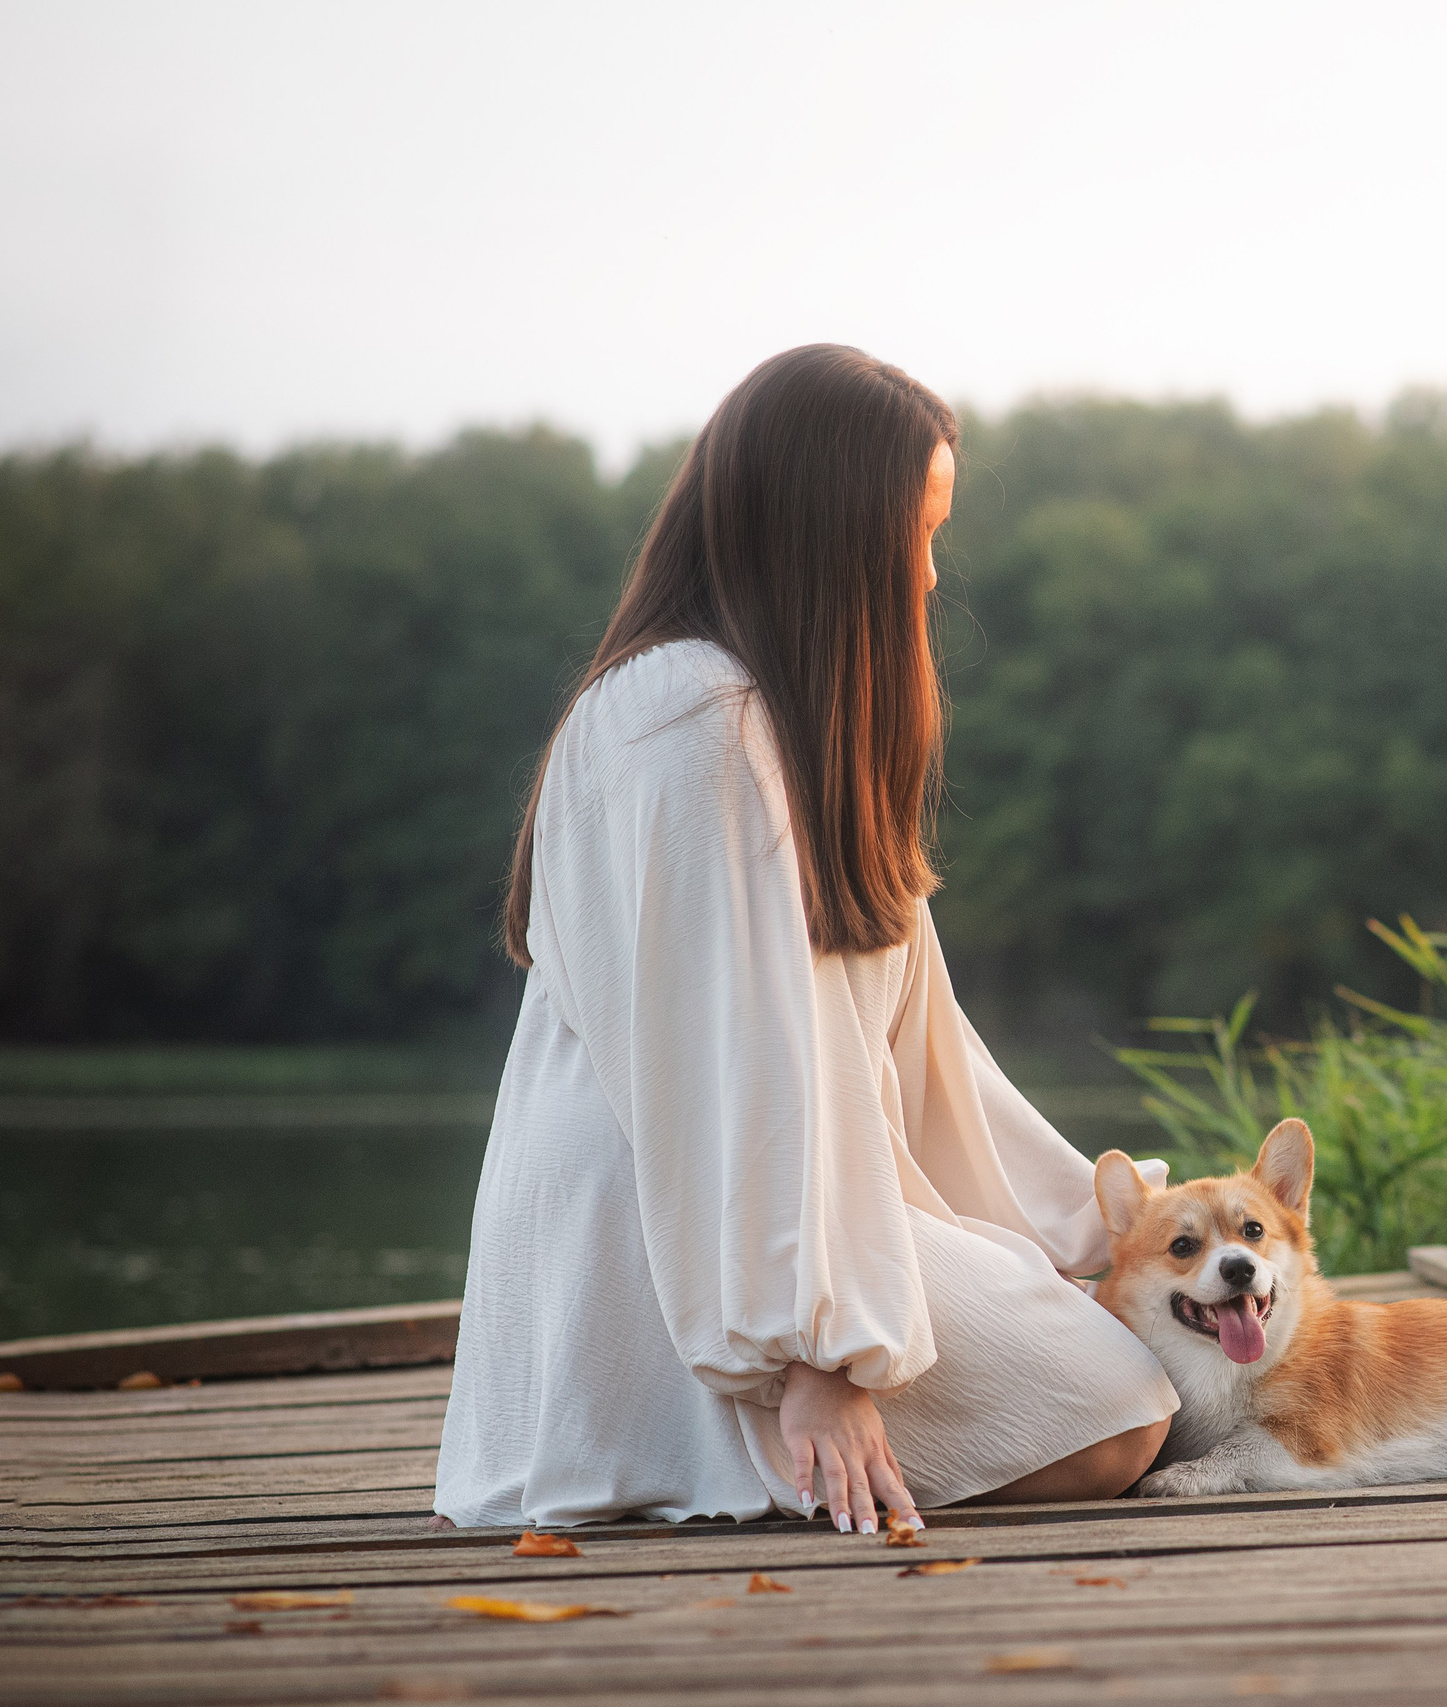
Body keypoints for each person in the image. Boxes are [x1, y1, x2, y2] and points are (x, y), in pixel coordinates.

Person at [432, 345, 1177, 1534]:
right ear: (833, 534)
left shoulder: (780, 721)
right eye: (916, 533)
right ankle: (732, 1418)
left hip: (802, 1223)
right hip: (674, 1246)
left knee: (1134, 1373)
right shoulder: (689, 722)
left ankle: (837, 1334)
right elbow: (738, 1076)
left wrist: (1098, 1233)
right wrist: (816, 1358)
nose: (931, 575)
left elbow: (925, 1050)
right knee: (1117, 1417)